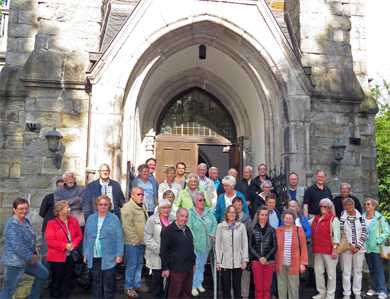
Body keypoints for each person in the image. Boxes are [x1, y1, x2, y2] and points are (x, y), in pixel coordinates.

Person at [1, 198, 49, 299]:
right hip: (15, 262)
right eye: (21, 208)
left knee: (43, 274)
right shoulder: (12, 225)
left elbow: (30, 238)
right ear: (14, 209)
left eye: (26, 208)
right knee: (9, 289)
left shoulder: (26, 221)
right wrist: (31, 257)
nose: (24, 211)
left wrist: (34, 249)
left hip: (28, 260)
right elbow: (17, 246)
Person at [83, 195, 124, 299]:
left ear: (109, 206)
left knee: (108, 285)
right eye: (100, 204)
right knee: (96, 284)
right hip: (94, 256)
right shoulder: (91, 218)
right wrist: (85, 254)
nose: (103, 207)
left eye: (105, 204)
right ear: (96, 206)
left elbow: (119, 238)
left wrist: (119, 254)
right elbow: (86, 238)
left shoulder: (114, 219)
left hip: (109, 257)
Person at [45, 200, 83, 298]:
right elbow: (50, 241)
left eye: (69, 207)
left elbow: (79, 235)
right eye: (67, 207)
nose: (69, 209)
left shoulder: (73, 220)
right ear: (59, 211)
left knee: (67, 280)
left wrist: (73, 244)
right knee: (57, 280)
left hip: (70, 256)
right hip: (56, 257)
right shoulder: (51, 223)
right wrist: (64, 246)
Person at [160, 208, 196, 299]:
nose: (184, 219)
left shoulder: (188, 230)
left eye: (186, 217)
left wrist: (193, 263)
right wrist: (165, 268)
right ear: (176, 216)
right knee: (174, 295)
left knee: (187, 294)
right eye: (182, 216)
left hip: (188, 269)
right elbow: (163, 251)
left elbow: (191, 248)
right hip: (176, 270)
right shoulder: (168, 231)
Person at [187, 191, 217, 296]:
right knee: (194, 265)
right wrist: (193, 241)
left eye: (203, 199)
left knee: (202, 265)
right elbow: (189, 228)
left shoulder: (209, 212)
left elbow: (214, 223)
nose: (202, 202)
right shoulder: (190, 213)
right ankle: (192, 286)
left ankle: (199, 283)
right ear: (195, 202)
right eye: (200, 200)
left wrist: (212, 233)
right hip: (194, 245)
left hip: (206, 244)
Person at [215, 205, 249, 299]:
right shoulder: (220, 226)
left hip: (238, 262)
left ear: (236, 214)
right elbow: (217, 245)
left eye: (234, 212)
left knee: (237, 286)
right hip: (224, 262)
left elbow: (245, 243)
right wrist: (218, 261)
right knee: (226, 287)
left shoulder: (241, 226)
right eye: (230, 212)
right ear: (226, 214)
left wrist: (245, 259)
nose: (232, 214)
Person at [121, 187, 149, 298]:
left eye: (142, 194)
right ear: (132, 195)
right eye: (138, 194)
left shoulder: (142, 206)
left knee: (139, 264)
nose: (141, 196)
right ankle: (128, 287)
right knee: (132, 265)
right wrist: (135, 240)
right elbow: (127, 227)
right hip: (132, 243)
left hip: (142, 242)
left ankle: (136, 284)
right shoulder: (127, 208)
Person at [144, 199, 174, 299]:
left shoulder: (173, 219)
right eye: (164, 208)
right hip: (155, 257)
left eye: (168, 207)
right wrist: (160, 250)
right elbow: (147, 238)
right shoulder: (152, 220)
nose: (166, 210)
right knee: (157, 285)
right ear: (159, 209)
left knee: (169, 286)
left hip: (170, 258)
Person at [311, 198, 340, 299]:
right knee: (318, 272)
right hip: (318, 250)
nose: (322, 208)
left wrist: (335, 249)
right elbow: (305, 224)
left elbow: (337, 236)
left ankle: (330, 295)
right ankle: (321, 293)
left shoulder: (334, 219)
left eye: (325, 206)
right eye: (321, 206)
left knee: (331, 274)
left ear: (329, 208)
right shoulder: (316, 218)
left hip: (329, 250)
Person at [275, 209, 308, 299]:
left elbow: (303, 247)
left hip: (294, 264)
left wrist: (303, 263)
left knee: (293, 289)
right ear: (283, 219)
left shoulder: (299, 230)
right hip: (280, 264)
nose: (287, 220)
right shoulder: (278, 230)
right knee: (281, 289)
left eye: (290, 218)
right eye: (286, 218)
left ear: (293, 219)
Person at [339, 198, 367, 299]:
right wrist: (350, 246)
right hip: (347, 249)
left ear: (354, 205)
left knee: (358, 272)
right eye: (347, 205)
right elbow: (342, 234)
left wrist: (358, 246)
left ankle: (357, 293)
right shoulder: (342, 218)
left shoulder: (361, 217)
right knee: (346, 272)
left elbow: (364, 232)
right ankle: (346, 294)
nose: (349, 207)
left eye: (351, 205)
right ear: (344, 207)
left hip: (359, 249)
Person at [363, 198, 390, 299]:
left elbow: (387, 231)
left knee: (378, 269)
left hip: (377, 248)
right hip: (366, 248)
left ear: (374, 206)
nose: (366, 206)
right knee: (371, 269)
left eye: (369, 204)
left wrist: (378, 240)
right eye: (365, 204)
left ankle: (382, 290)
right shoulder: (362, 217)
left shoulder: (379, 218)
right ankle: (374, 288)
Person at [249, 207, 277, 299]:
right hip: (257, 262)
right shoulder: (252, 229)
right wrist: (259, 257)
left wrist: (266, 258)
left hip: (269, 262)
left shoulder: (272, 230)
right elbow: (250, 246)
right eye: (262, 215)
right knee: (258, 288)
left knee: (267, 288)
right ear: (258, 216)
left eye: (266, 215)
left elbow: (274, 246)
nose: (264, 217)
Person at [39, 178, 64, 261]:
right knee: (46, 251)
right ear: (56, 187)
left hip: (61, 230)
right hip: (48, 229)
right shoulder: (49, 197)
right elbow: (42, 212)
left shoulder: (67, 200)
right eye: (59, 187)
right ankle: (46, 272)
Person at [233, 197, 252, 299]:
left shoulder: (247, 219)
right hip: (231, 253)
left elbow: (250, 236)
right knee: (233, 278)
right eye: (236, 205)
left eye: (240, 205)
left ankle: (244, 296)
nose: (238, 207)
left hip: (244, 252)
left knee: (245, 277)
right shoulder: (227, 218)